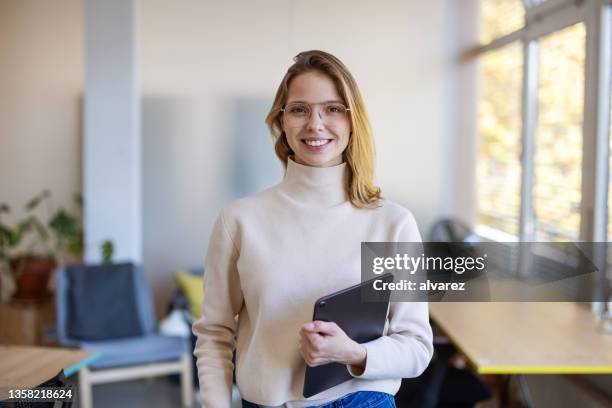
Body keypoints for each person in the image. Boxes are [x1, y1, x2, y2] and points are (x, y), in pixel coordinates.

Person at [193, 50, 433, 408]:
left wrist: (353, 353)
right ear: (281, 121)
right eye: (299, 109)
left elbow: (416, 347)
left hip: (362, 400)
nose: (315, 124)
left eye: (333, 109)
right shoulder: (240, 220)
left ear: (353, 122)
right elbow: (214, 334)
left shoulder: (392, 224)